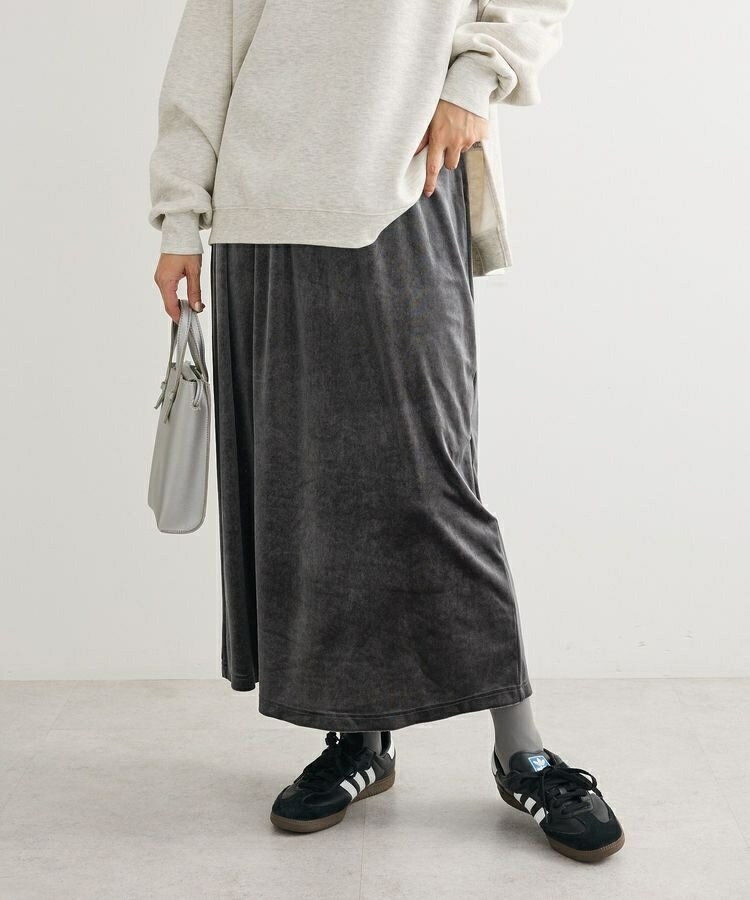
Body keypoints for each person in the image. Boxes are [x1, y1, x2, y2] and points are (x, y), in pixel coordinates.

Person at [149, 0, 624, 863]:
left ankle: (522, 750)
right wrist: (181, 214)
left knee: (432, 487)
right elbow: (208, 45)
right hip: (262, 214)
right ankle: (357, 739)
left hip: (408, 185)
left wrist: (474, 82)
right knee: (310, 494)